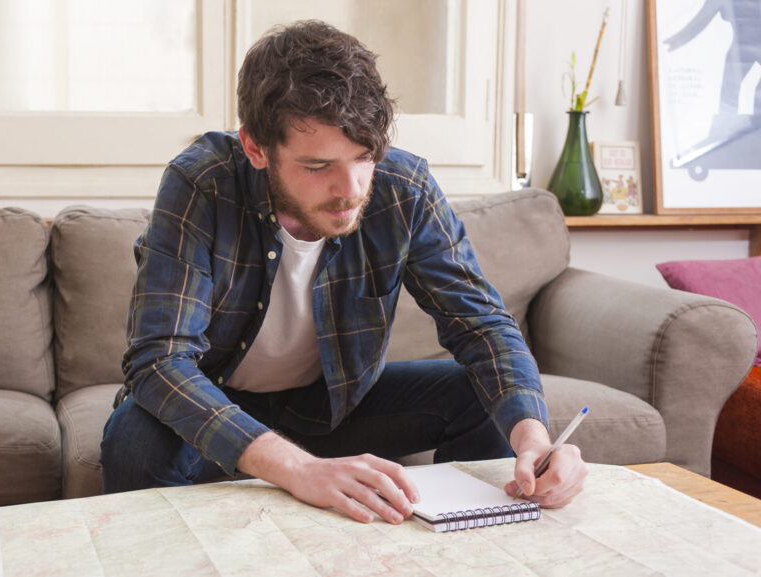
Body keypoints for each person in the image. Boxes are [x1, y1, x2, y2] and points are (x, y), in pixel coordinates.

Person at [101, 20, 587, 525]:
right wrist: (296, 469)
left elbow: (482, 326)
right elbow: (159, 361)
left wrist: (535, 438)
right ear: (256, 148)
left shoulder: (405, 189)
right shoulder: (203, 182)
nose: (351, 189)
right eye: (317, 166)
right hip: (221, 403)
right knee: (135, 436)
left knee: (482, 397)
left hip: (336, 406)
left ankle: (457, 547)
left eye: (364, 157)